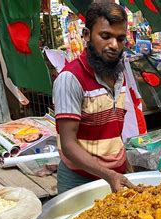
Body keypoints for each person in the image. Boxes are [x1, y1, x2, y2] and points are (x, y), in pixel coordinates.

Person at [53, 2, 134, 193]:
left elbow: (113, 131)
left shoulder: (119, 75)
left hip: (115, 176)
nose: (114, 45)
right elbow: (68, 145)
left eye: (120, 38)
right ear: (87, 35)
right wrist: (109, 175)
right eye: (105, 36)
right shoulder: (70, 79)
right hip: (79, 181)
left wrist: (125, 166)